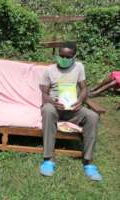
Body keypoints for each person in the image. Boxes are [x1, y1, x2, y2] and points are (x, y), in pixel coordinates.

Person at [39, 42, 102, 181]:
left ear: (74, 56)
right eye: (61, 55)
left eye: (67, 57)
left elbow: (84, 88)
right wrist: (52, 101)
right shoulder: (49, 70)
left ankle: (88, 162)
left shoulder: (79, 67)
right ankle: (49, 158)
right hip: (55, 107)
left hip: (73, 108)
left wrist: (80, 100)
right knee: (48, 110)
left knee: (92, 116)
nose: (63, 59)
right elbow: (44, 94)